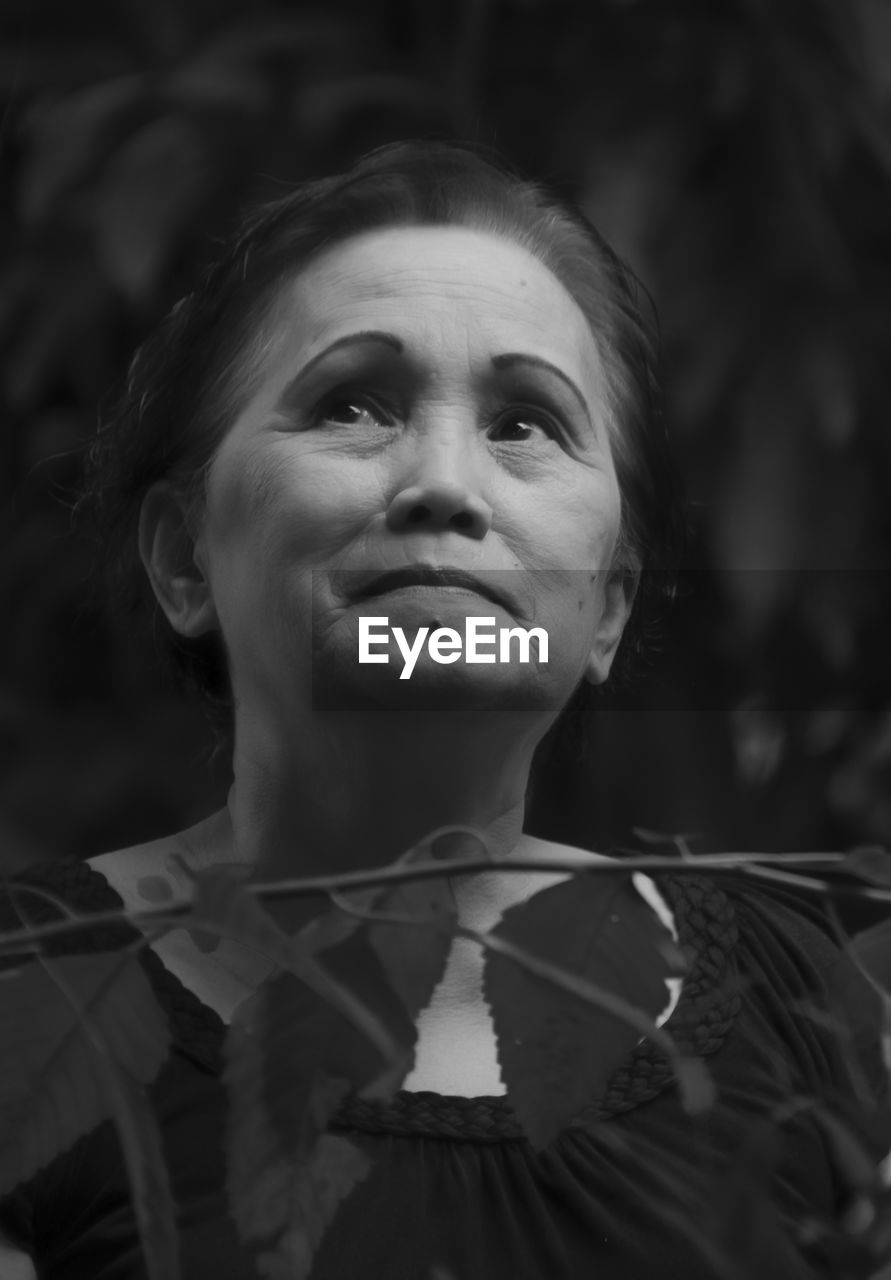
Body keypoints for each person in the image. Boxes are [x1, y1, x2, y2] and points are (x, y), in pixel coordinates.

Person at [0, 140, 888, 1280]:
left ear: (607, 608)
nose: (445, 483)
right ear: (185, 561)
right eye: (354, 403)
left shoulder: (808, 1006)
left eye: (526, 423)